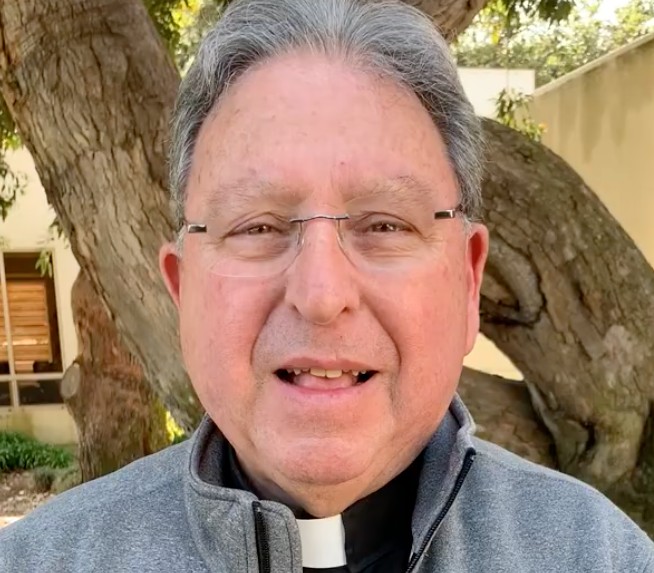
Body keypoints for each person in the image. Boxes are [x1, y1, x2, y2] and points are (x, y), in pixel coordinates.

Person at [1, 0, 652, 571]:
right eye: (258, 225)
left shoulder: (599, 555)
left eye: (384, 224)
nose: (320, 292)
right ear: (182, 288)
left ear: (467, 280)